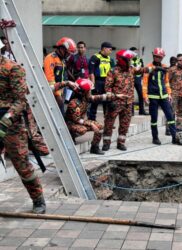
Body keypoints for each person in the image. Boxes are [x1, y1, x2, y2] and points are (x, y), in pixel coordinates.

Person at [0, 55, 45, 214]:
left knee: (22, 164)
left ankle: (38, 199)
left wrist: (6, 120)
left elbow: (21, 101)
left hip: (11, 124)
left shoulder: (13, 68)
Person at [102, 50, 149, 151]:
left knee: (125, 124)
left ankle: (121, 142)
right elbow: (108, 87)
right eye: (128, 60)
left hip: (128, 103)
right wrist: (110, 100)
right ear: (122, 60)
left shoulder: (131, 69)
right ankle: (106, 143)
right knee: (109, 124)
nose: (130, 62)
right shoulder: (113, 71)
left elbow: (141, 70)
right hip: (115, 103)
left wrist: (153, 68)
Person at [52, 79, 111, 154]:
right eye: (89, 90)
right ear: (84, 92)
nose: (90, 92)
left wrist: (113, 96)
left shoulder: (86, 98)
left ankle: (94, 147)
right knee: (82, 129)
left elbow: (98, 97)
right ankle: (70, 137)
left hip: (80, 122)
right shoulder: (73, 103)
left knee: (100, 127)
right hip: (70, 124)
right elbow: (77, 120)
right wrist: (91, 124)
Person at [142, 48, 182, 146]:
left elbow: (166, 82)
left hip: (164, 96)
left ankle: (175, 138)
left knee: (170, 116)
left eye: (160, 57)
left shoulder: (165, 68)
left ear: (162, 58)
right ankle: (155, 137)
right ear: (154, 56)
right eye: (156, 56)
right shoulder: (148, 68)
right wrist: (145, 96)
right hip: (153, 96)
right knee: (154, 119)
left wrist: (169, 94)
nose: (158, 58)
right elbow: (144, 83)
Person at [44, 37, 76, 115]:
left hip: (62, 90)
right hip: (54, 93)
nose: (69, 55)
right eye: (68, 53)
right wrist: (57, 95)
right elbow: (50, 79)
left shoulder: (62, 59)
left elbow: (63, 75)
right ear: (62, 49)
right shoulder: (50, 58)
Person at [88, 42, 115, 121]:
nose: (111, 51)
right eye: (109, 49)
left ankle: (107, 121)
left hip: (107, 82)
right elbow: (91, 72)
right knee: (95, 101)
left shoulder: (110, 59)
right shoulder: (95, 57)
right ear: (104, 48)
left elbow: (113, 73)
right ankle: (92, 120)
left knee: (107, 101)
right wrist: (93, 85)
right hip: (98, 81)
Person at [130, 47, 148, 116]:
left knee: (141, 94)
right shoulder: (128, 59)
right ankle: (131, 112)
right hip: (131, 79)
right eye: (133, 52)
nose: (135, 53)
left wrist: (141, 77)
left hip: (138, 79)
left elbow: (143, 69)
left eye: (136, 51)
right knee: (131, 95)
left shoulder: (140, 59)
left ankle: (141, 110)